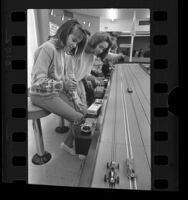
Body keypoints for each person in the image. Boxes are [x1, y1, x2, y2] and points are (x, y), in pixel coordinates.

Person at [30, 19, 88, 156]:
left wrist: (76, 99)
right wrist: (63, 84)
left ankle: (67, 144)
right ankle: (69, 145)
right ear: (64, 32)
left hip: (54, 92)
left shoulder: (62, 52)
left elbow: (65, 80)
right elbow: (37, 82)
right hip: (40, 94)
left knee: (83, 111)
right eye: (73, 40)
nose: (74, 46)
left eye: (77, 43)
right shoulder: (48, 48)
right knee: (78, 118)